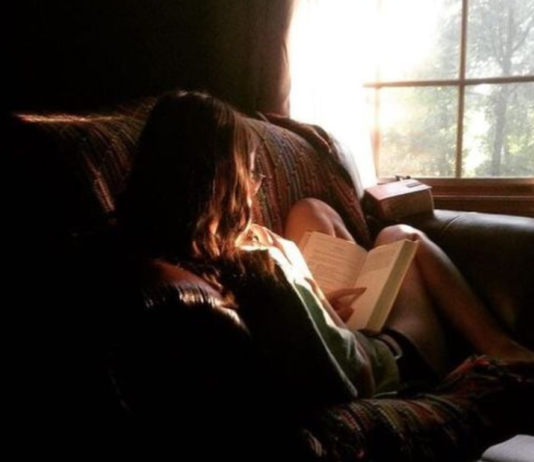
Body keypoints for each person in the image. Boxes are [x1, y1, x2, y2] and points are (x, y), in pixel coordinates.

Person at [112, 90, 534, 459]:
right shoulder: (262, 264)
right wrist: (322, 308)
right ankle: (506, 349)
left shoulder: (165, 255)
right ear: (229, 180)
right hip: (395, 361)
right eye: (253, 174)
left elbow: (285, 336)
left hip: (344, 339)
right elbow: (351, 379)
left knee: (312, 210)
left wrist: (318, 308)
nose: (257, 186)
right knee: (402, 236)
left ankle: (389, 289)